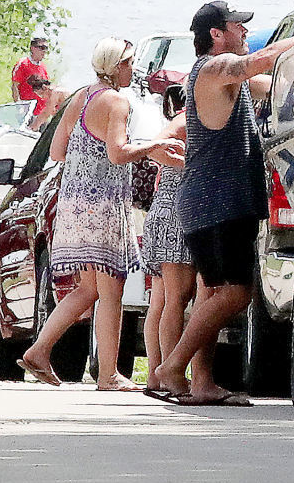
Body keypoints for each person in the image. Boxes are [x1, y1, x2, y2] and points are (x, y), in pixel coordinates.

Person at [19, 37, 185, 390]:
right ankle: (108, 374)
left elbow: (58, 150)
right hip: (103, 204)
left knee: (88, 289)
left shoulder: (80, 97)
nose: (131, 69)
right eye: (127, 63)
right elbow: (118, 153)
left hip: (74, 203)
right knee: (112, 288)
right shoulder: (116, 102)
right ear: (113, 66)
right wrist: (155, 144)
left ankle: (39, 350)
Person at [148, 1, 293, 404]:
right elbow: (257, 62)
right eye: (238, 26)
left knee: (213, 295)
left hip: (211, 202)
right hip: (218, 202)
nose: (245, 32)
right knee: (236, 294)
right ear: (217, 34)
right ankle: (172, 366)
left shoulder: (228, 80)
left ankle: (202, 383)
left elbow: (270, 80)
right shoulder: (213, 70)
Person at [140, 85, 195, 387]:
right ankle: (169, 374)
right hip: (175, 211)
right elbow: (156, 146)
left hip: (164, 210)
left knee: (161, 301)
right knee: (176, 299)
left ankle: (155, 373)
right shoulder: (186, 121)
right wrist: (191, 165)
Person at [10, 36, 62, 125]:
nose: (44, 51)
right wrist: (19, 107)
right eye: (42, 48)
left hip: (41, 113)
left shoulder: (42, 67)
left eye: (46, 48)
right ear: (32, 48)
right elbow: (15, 86)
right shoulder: (23, 64)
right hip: (27, 112)